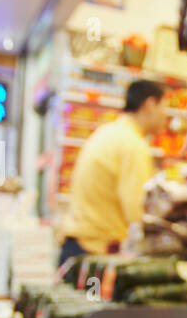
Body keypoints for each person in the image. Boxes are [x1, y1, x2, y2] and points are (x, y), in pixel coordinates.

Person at [59, 80, 167, 268]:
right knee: (91, 299)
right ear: (150, 105)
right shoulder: (132, 145)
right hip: (93, 254)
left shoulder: (108, 132)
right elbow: (137, 211)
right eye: (165, 108)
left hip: (77, 245)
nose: (166, 117)